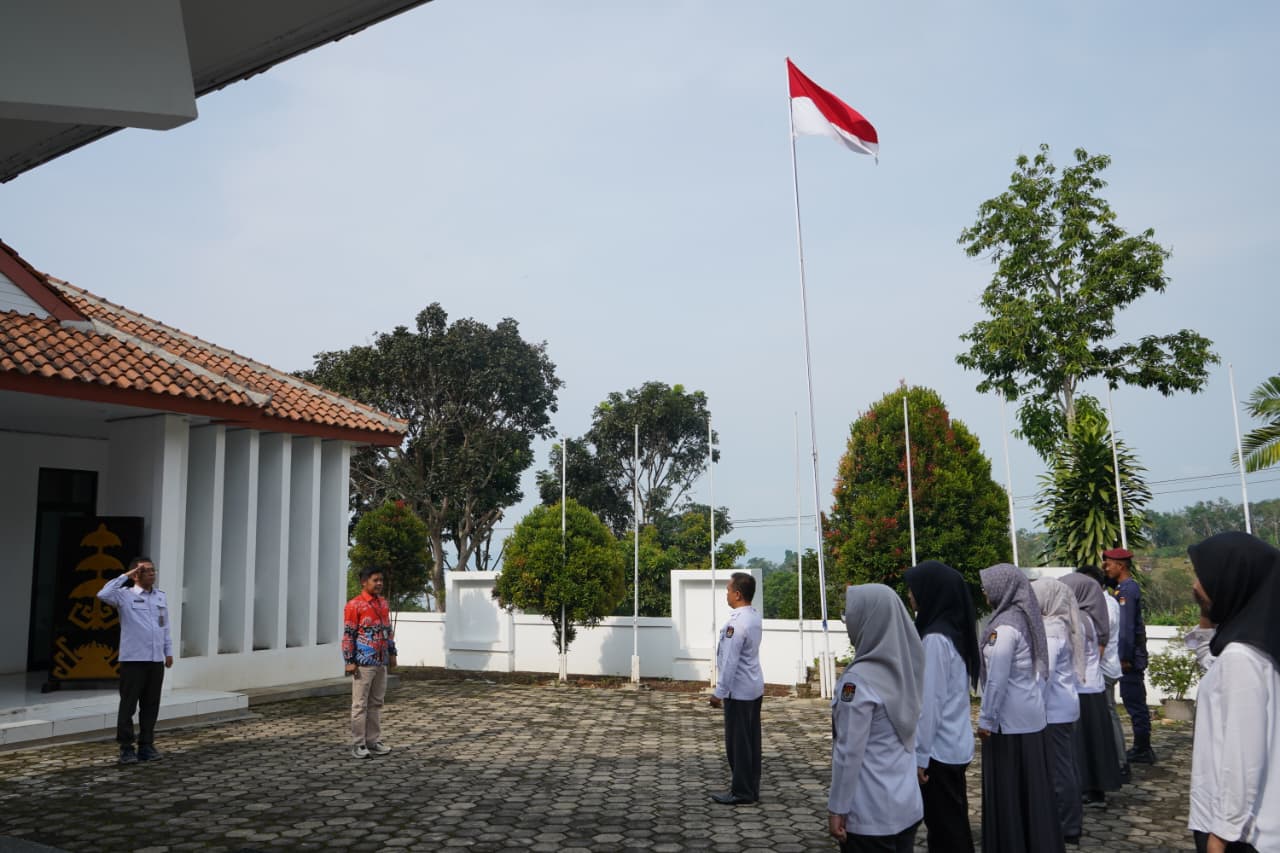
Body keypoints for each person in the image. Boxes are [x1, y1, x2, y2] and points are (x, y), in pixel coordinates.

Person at [1185, 531, 1280, 853]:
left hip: (1238, 833)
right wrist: (1208, 612)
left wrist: (1221, 834)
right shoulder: (1257, 647)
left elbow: (1243, 756)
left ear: (1231, 581)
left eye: (1202, 577)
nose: (1195, 586)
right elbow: (1209, 660)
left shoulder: (1241, 658)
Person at [828, 584, 925, 853]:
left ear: (867, 620)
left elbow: (849, 753)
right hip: (906, 805)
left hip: (870, 813)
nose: (847, 621)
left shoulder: (858, 682)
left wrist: (837, 807)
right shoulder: (907, 668)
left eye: (849, 614)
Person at [977, 564, 1065, 853]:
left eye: (988, 585)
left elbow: (997, 680)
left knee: (1010, 794)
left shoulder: (1004, 628)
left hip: (1009, 724)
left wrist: (986, 719)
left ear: (1003, 588)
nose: (984, 591)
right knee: (1033, 795)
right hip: (1030, 718)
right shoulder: (1023, 619)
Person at [904, 561, 978, 853]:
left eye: (914, 589)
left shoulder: (935, 639)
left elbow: (929, 703)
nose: (910, 595)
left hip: (938, 750)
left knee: (947, 828)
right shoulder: (952, 631)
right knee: (950, 823)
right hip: (954, 743)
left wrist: (920, 757)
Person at [96, 556, 173, 764]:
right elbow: (103, 594)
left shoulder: (160, 597)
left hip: (155, 659)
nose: (152, 573)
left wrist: (168, 651)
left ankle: (146, 745)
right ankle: (126, 747)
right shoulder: (124, 596)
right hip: (133, 660)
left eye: (153, 570)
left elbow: (164, 625)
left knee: (151, 705)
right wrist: (125, 576)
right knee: (128, 705)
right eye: (147, 570)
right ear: (136, 574)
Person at [1060, 571, 1124, 809]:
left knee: (1085, 744)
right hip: (1091, 686)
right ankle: (1095, 788)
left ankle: (1089, 789)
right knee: (1094, 742)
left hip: (1082, 688)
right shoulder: (1093, 617)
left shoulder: (1079, 621)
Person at [1031, 577, 1085, 845]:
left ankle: (1067, 825)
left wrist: (1031, 708)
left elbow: (1043, 674)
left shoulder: (1051, 630)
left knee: (1061, 770)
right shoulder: (1060, 624)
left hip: (1053, 710)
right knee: (1066, 765)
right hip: (1063, 706)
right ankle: (1068, 820)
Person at [708, 571, 764, 805]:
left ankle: (741, 792)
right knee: (751, 743)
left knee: (738, 745)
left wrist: (719, 692)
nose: (727, 594)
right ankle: (751, 789)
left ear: (738, 594)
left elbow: (730, 661)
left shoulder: (736, 623)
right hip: (753, 689)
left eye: (729, 590)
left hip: (738, 692)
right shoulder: (753, 617)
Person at [1077, 564, 1130, 784]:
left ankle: (1117, 763)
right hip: (1103, 668)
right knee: (1108, 716)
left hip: (1102, 669)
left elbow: (1100, 640)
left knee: (1106, 717)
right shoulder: (1106, 602)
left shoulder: (1103, 605)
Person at [1103, 547, 1154, 764]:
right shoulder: (1121, 589)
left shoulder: (1127, 590)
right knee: (1131, 700)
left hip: (1130, 657)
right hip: (1129, 655)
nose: (1106, 568)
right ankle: (1141, 746)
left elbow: (1126, 628)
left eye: (1109, 564)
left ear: (1120, 565)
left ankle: (1143, 748)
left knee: (1135, 702)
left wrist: (1124, 657)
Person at [343, 567, 397, 759]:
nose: (380, 583)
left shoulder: (382, 603)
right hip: (363, 663)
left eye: (381, 580)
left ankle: (373, 740)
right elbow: (349, 634)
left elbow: (387, 629)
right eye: (375, 580)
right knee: (360, 704)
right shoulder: (354, 605)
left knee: (376, 703)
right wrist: (349, 660)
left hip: (380, 661)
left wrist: (392, 652)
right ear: (364, 582)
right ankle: (358, 743)